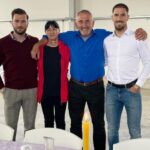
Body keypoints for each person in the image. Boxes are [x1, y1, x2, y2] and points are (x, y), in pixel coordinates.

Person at [31, 10, 147, 150]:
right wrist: (37, 44)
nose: (84, 25)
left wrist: (140, 32)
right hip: (75, 87)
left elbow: (121, 32)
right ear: (76, 23)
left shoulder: (103, 35)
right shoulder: (69, 37)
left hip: (96, 87)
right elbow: (48, 34)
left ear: (93, 22)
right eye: (80, 21)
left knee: (98, 124)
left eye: (87, 21)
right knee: (75, 123)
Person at [104, 3, 150, 150]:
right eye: (116, 15)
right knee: (111, 132)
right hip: (111, 90)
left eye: (122, 15)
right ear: (112, 17)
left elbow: (148, 62)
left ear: (128, 17)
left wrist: (139, 85)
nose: (119, 18)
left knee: (135, 131)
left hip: (131, 90)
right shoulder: (107, 41)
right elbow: (105, 61)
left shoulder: (137, 37)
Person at [0, 8, 38, 140]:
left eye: (23, 21)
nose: (20, 24)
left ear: (28, 23)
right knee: (10, 128)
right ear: (12, 22)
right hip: (10, 91)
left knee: (30, 127)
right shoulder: (2, 43)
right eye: (17, 21)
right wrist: (2, 87)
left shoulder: (34, 42)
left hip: (31, 91)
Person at [37, 20, 70, 129]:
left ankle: (61, 145)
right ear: (45, 32)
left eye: (54, 29)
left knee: (60, 121)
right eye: (48, 29)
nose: (51, 32)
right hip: (45, 92)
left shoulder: (65, 48)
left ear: (58, 31)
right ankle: (49, 146)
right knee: (48, 121)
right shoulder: (40, 49)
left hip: (60, 91)